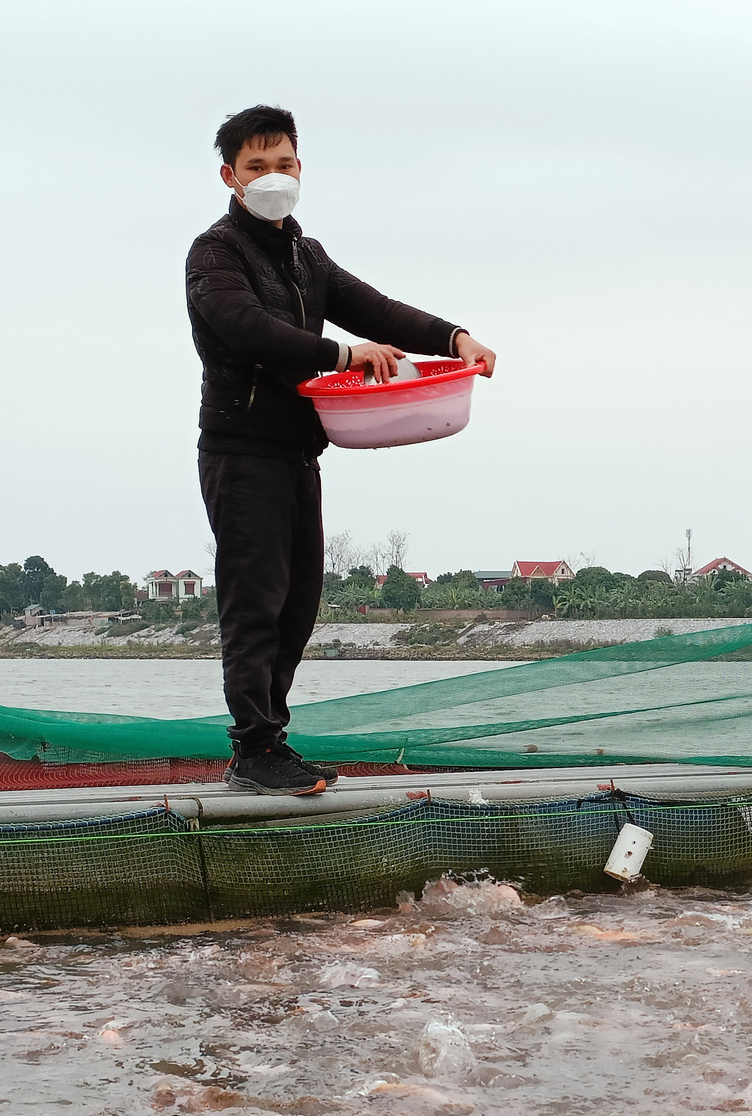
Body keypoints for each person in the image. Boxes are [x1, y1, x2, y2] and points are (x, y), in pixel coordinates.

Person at [186, 104, 496, 796]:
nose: (273, 177)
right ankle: (254, 749)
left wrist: (454, 339)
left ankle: (272, 743)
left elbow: (377, 309)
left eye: (284, 164)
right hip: (242, 453)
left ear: (301, 168)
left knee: (298, 604)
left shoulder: (306, 255)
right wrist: (342, 353)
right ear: (229, 176)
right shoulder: (214, 255)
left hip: (300, 452)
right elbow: (248, 328)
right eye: (257, 166)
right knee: (254, 603)